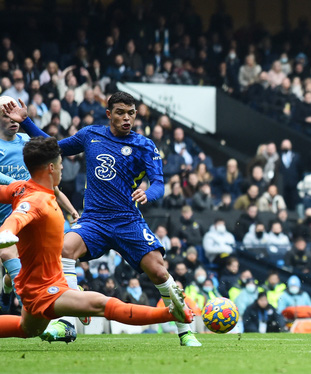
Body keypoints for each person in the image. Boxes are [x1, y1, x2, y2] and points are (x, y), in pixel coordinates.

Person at [3, 93, 201, 346]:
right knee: (64, 249)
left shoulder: (144, 145)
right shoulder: (90, 135)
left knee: (159, 272)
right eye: (120, 112)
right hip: (94, 220)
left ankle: (185, 331)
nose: (126, 118)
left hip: (128, 220)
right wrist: (27, 122)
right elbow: (54, 148)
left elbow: (159, 184)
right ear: (109, 114)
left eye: (131, 113)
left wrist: (148, 193)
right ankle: (66, 323)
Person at [0, 96, 79, 309]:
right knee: (11, 259)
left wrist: (72, 210)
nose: (12, 120)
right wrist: (18, 185)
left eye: (16, 115)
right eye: (7, 115)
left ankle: (31, 307)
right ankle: (9, 289)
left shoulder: (26, 141)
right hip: (3, 213)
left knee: (15, 258)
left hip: (29, 214)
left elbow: (54, 152)